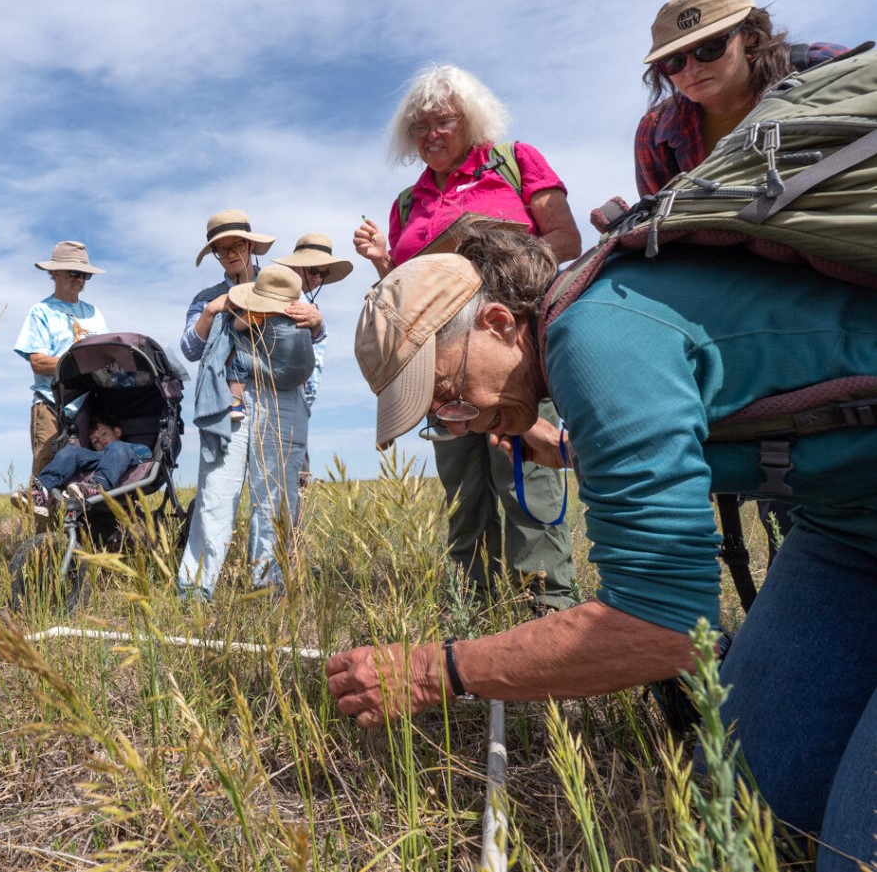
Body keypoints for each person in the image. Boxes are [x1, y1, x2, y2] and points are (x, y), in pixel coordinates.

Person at [329, 229, 877, 870]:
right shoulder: (594, 313)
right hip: (849, 529)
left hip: (848, 524)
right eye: (440, 416)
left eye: (450, 395)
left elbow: (667, 628)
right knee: (740, 810)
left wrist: (431, 671)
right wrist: (565, 446)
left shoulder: (589, 338)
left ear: (499, 322)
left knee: (851, 853)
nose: (465, 422)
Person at [351, 64, 580, 610]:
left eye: (443, 121)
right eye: (420, 126)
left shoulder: (515, 162)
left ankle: (546, 610)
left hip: (506, 350)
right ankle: (473, 606)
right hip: (435, 369)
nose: (430, 134)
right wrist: (386, 263)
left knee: (525, 476)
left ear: (471, 120)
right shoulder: (408, 202)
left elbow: (566, 241)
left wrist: (491, 270)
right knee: (462, 492)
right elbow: (407, 302)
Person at [634, 0, 845, 556]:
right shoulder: (659, 132)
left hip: (843, 285)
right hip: (748, 311)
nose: (690, 68)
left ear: (749, 37)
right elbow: (669, 239)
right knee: (781, 463)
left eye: (707, 48)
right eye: (674, 61)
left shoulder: (821, 70)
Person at [178, 211, 320, 597]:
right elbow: (190, 348)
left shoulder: (281, 283)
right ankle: (194, 594)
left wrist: (316, 321)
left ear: (250, 245)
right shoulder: (205, 298)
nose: (229, 254)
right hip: (228, 402)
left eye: (235, 245)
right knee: (215, 497)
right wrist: (212, 311)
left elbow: (312, 339)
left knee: (275, 496)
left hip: (282, 400)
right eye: (221, 249)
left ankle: (269, 590)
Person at [13, 241, 108, 477]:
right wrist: (80, 365)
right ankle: (40, 515)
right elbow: (38, 362)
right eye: (74, 273)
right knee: (46, 470)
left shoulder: (94, 313)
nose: (80, 280)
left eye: (85, 275)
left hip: (89, 407)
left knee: (86, 473)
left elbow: (106, 355)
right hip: (51, 405)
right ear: (55, 272)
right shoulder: (41, 311)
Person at [271, 234, 353, 487]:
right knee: (292, 471)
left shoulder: (310, 305)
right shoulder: (283, 299)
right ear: (297, 266)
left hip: (300, 400)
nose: (318, 278)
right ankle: (292, 525)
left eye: (323, 274)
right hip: (281, 399)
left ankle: (293, 525)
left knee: (296, 470)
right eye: (314, 271)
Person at [18, 414, 151, 516]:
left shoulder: (133, 448)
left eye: (104, 433)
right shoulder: (97, 454)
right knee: (71, 451)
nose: (101, 440)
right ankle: (40, 491)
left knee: (116, 447)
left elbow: (146, 455)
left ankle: (96, 487)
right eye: (95, 441)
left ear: (117, 431)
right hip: (101, 460)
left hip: (128, 460)